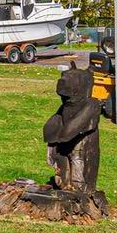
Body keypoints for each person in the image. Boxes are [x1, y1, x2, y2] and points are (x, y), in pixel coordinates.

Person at [42, 63, 101, 200]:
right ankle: (64, 186)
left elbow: (74, 127)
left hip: (82, 145)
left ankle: (80, 195)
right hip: (65, 144)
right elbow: (55, 122)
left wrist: (61, 135)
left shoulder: (91, 104)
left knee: (79, 169)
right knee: (63, 170)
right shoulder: (65, 106)